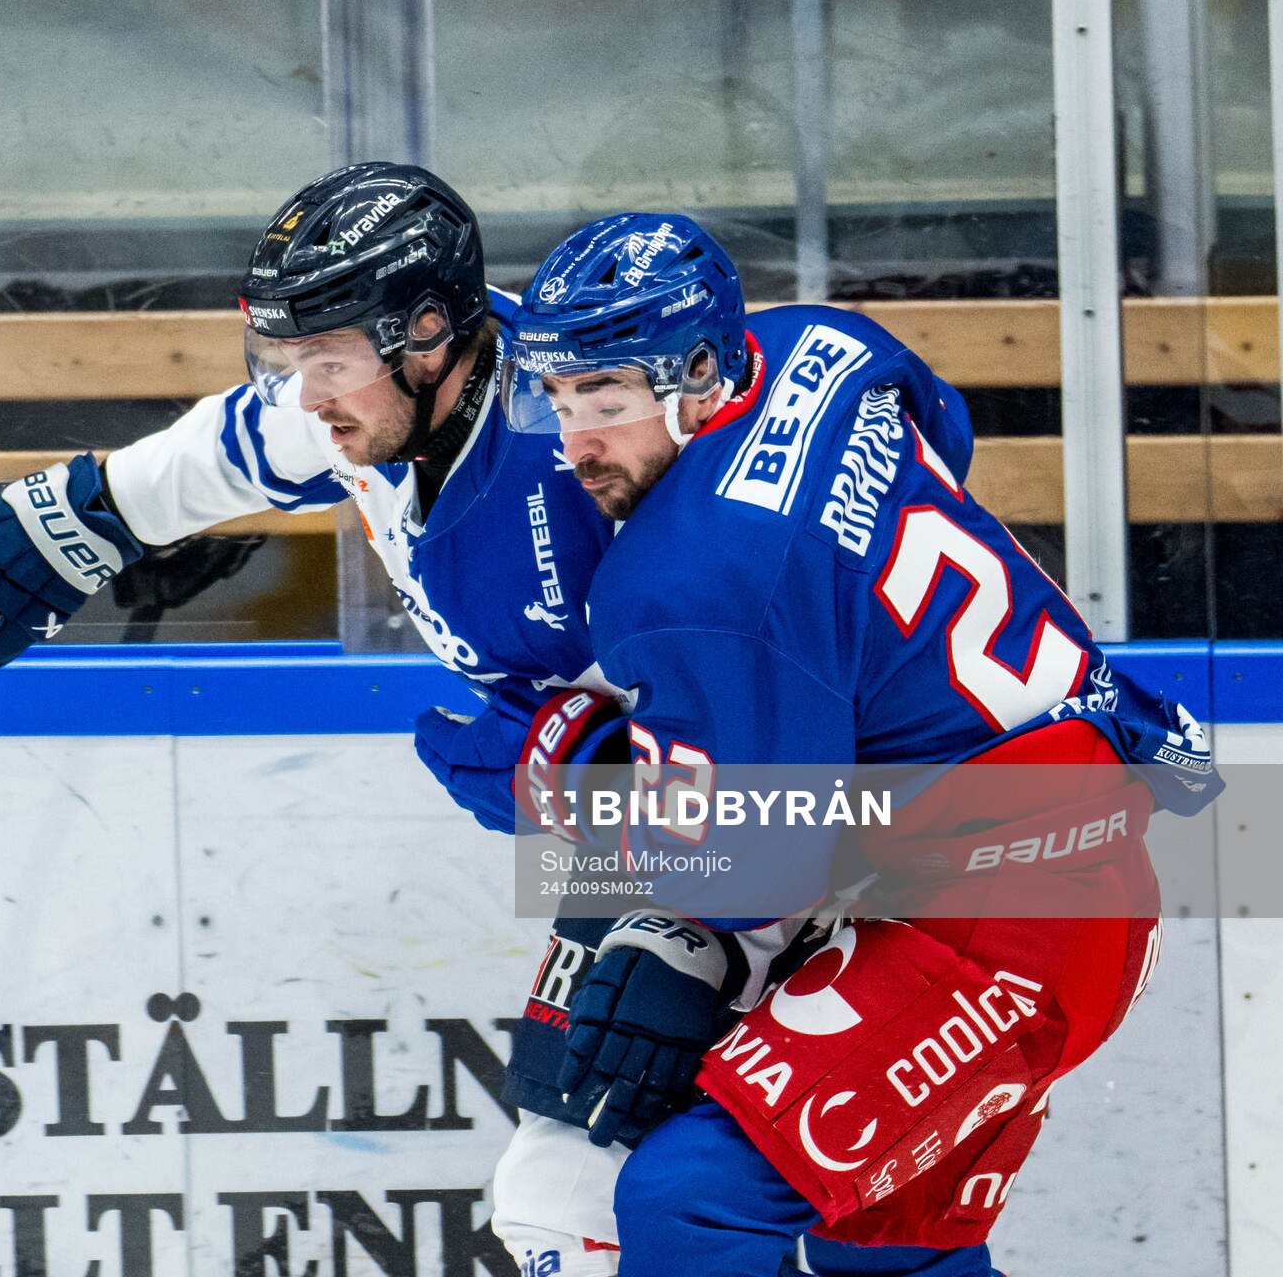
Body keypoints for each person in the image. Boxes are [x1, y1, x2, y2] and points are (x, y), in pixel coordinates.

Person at [0, 163, 642, 1276]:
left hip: (841, 831)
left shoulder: (592, 450)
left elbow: (775, 684)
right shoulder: (387, 405)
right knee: (596, 1189)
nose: (308, 396)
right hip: (665, 839)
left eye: (328, 363)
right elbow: (239, 442)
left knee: (618, 1197)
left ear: (429, 330)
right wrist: (83, 514)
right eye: (292, 361)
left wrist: (588, 768)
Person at [499, 212, 1221, 1276]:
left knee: (689, 1199)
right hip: (1051, 874)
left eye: (606, 402)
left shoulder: (688, 579)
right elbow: (944, 428)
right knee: (883, 1251)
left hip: (1003, 931)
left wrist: (588, 784)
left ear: (699, 375)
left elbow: (750, 872)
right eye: (557, 401)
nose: (575, 444)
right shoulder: (811, 344)